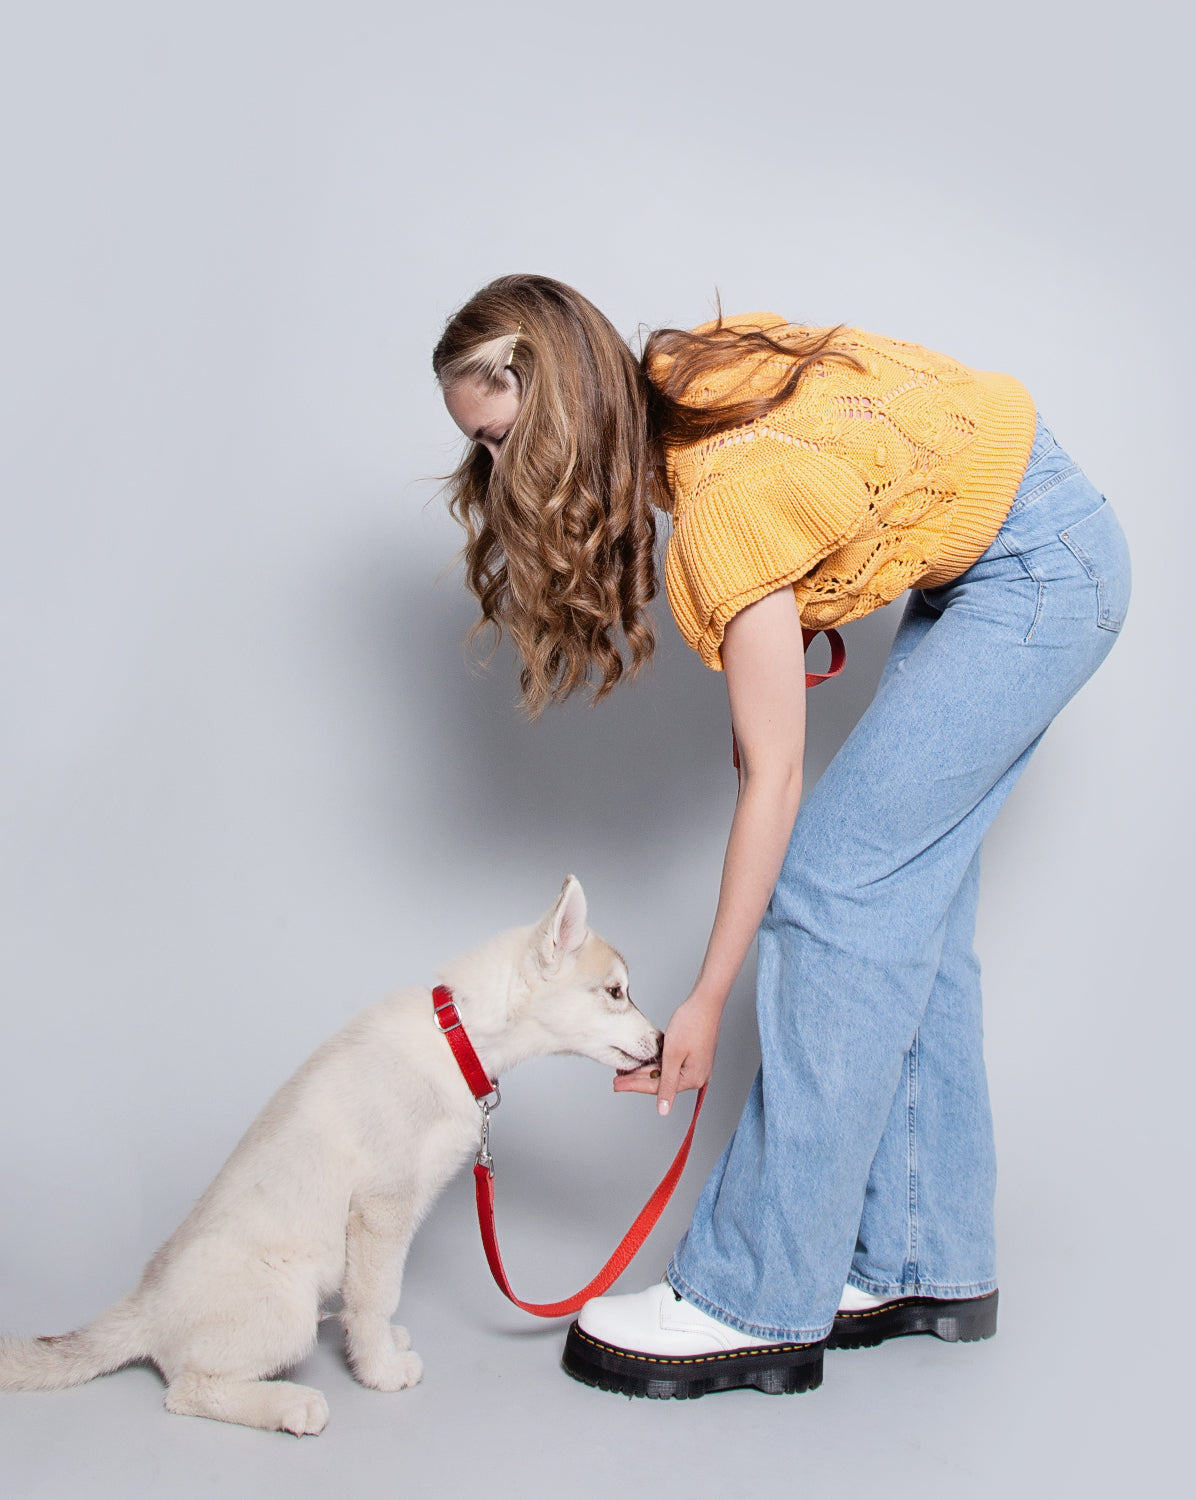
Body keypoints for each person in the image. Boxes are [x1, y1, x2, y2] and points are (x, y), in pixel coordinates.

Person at [432, 273, 1131, 1400]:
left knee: (838, 893)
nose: (497, 477)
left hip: (1036, 577)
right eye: (479, 450)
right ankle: (924, 1261)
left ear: (561, 407)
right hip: (1028, 544)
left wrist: (704, 999)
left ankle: (750, 1297)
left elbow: (774, 778)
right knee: (912, 914)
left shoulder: (725, 508)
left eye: (504, 441)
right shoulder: (679, 375)